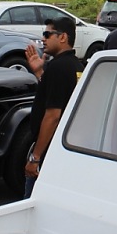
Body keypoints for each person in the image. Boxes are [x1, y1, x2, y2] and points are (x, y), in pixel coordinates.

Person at [24, 17, 84, 198]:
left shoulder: (58, 67)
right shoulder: (76, 66)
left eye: (47, 34)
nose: (43, 39)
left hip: (50, 152)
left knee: (33, 202)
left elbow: (53, 115)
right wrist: (39, 72)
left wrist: (35, 157)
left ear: (63, 37)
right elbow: (60, 95)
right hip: (66, 150)